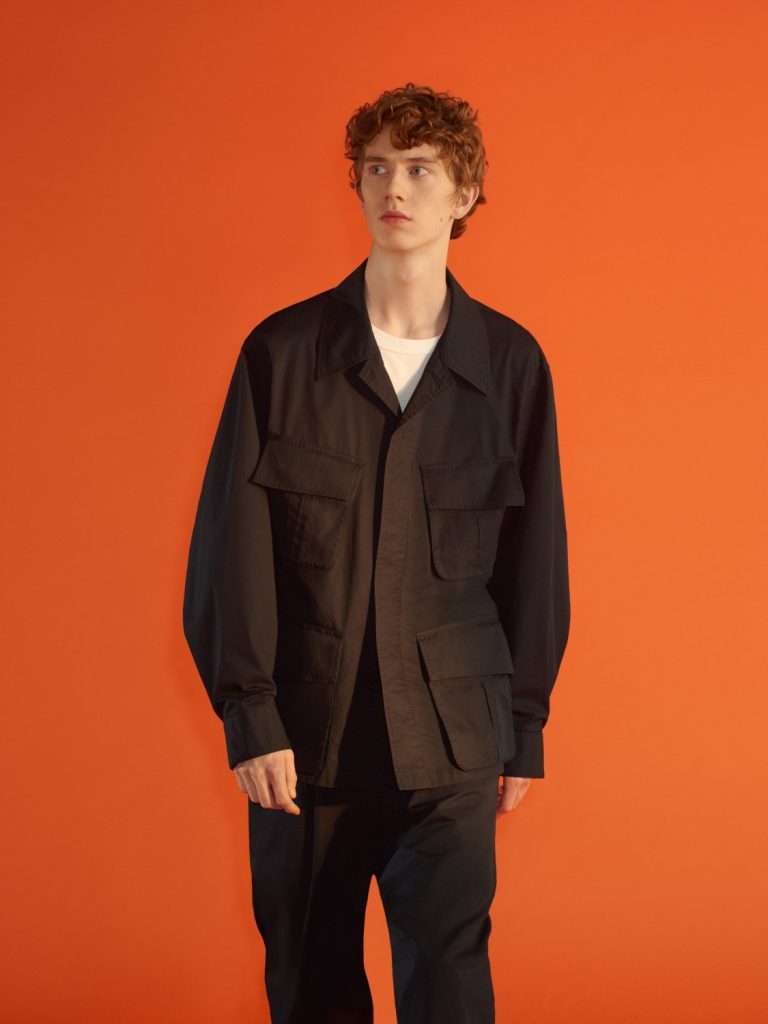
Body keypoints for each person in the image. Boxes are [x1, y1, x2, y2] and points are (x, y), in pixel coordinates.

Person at [183, 81, 570, 1024]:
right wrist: (251, 714)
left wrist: (523, 726)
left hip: (453, 743)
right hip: (304, 745)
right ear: (356, 185)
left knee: (449, 983)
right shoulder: (281, 355)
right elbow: (229, 556)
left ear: (464, 193)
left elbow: (537, 564)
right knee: (310, 984)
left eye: (421, 170)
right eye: (377, 168)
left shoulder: (510, 367)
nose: (395, 186)